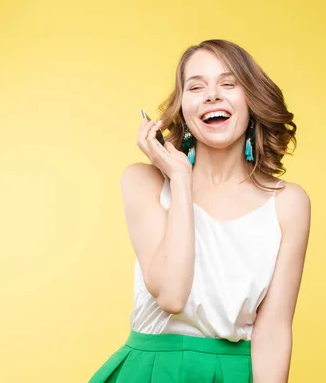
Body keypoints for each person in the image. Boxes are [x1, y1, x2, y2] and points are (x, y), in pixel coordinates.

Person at [89, 39, 311, 382]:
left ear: (252, 101)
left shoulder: (288, 203)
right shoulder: (143, 182)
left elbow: (273, 333)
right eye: (196, 86)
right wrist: (179, 178)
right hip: (150, 373)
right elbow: (172, 294)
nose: (212, 95)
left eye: (228, 83)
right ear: (182, 110)